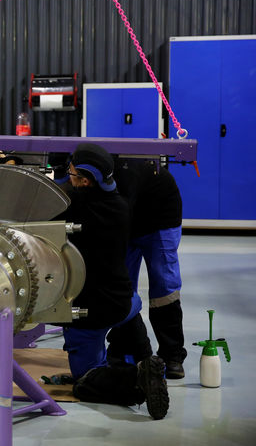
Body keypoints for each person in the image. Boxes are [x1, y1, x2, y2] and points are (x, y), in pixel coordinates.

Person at [53, 143, 169, 420]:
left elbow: (41, 213)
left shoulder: (75, 208)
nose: (67, 177)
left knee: (84, 382)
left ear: (84, 180)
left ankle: (135, 381)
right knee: (130, 310)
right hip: (123, 301)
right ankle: (147, 361)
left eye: (71, 173)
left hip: (89, 313)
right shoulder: (119, 203)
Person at [108, 159, 187, 379]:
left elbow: (118, 214)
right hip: (130, 219)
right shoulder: (90, 175)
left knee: (164, 286)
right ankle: (123, 350)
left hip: (161, 216)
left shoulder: (125, 175)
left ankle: (172, 355)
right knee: (122, 287)